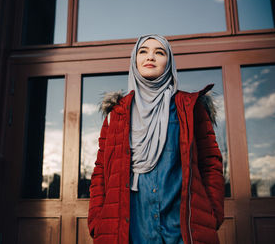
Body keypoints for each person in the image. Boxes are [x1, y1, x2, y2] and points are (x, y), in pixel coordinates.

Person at [88, 34, 224, 244]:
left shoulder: (190, 108)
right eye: (143, 51)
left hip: (182, 231)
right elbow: (100, 172)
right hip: (130, 230)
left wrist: (211, 214)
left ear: (169, 62)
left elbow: (210, 164)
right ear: (134, 60)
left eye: (159, 52)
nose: (150, 56)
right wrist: (98, 220)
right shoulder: (117, 114)